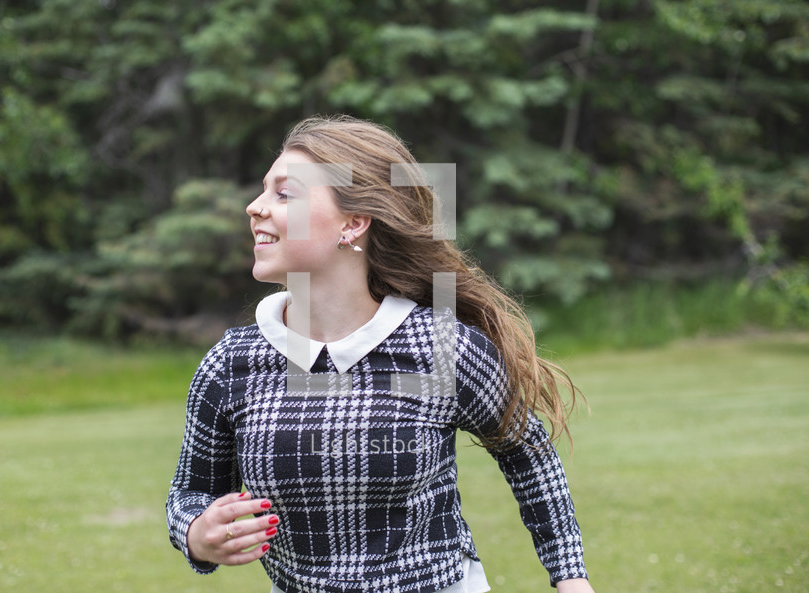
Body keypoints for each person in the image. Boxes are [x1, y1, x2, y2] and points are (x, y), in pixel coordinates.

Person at [166, 115, 596, 593]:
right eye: (263, 191)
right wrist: (197, 534)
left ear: (353, 223)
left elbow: (526, 452)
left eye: (284, 194)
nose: (255, 207)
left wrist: (570, 577)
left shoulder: (442, 347)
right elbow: (190, 493)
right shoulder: (231, 366)